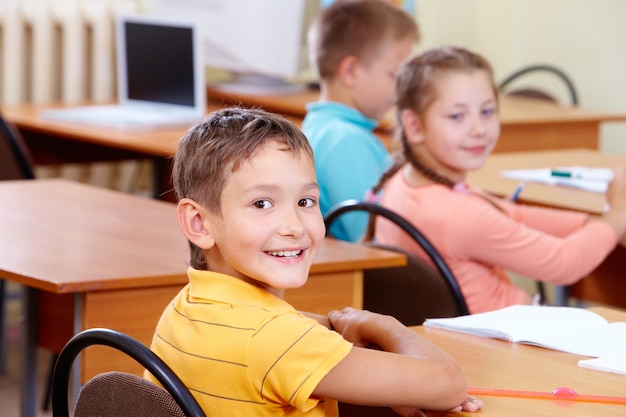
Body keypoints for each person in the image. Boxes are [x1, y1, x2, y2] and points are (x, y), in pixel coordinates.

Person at [145, 107, 482, 416]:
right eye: (262, 204)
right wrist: (385, 325)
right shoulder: (278, 340)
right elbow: (449, 383)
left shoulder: (185, 309)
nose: (294, 226)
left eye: (306, 201)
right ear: (199, 223)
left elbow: (304, 332)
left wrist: (399, 381)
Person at [372, 46, 626, 314]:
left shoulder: (405, 182)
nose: (479, 129)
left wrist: (592, 223)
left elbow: (511, 215)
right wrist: (617, 216)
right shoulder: (458, 215)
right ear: (413, 126)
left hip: (480, 336)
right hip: (504, 342)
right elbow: (564, 264)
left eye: (487, 111)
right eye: (457, 116)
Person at [302, 0, 419, 242]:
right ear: (351, 71)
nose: (404, 89)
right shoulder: (345, 142)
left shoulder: (322, 126)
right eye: (396, 75)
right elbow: (375, 239)